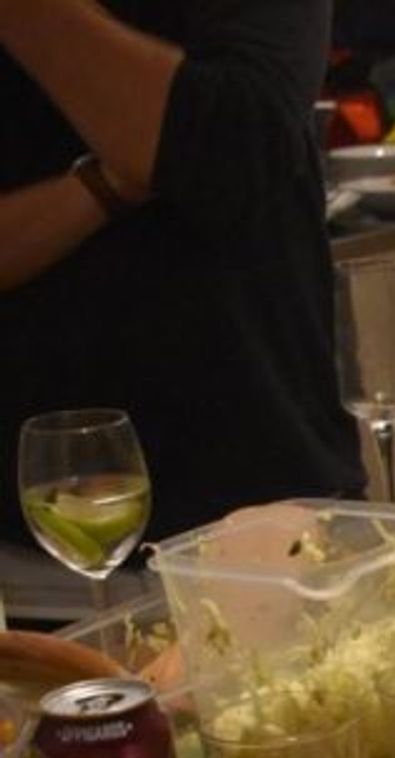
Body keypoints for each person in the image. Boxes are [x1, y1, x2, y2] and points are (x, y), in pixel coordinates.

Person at [0, 0, 366, 559]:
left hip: (264, 513)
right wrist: (109, 184)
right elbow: (182, 149)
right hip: (33, 540)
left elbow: (234, 148)